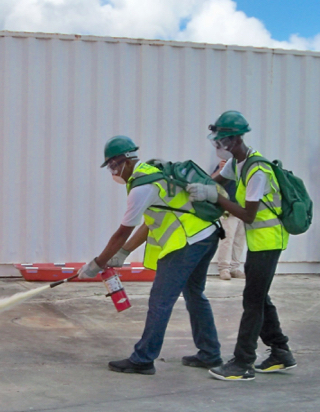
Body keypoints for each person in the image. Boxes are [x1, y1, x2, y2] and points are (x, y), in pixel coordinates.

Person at [77, 135, 223, 375]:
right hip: (206, 235)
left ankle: (143, 359)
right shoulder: (148, 174)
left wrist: (97, 263)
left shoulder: (142, 187)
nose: (113, 171)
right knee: (194, 294)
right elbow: (150, 221)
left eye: (113, 165)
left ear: (126, 160)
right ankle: (210, 353)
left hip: (187, 242)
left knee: (160, 300)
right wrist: (124, 252)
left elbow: (122, 232)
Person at [187, 110, 296, 381]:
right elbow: (215, 182)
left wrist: (214, 196)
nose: (217, 146)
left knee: (253, 300)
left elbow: (248, 214)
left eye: (220, 141)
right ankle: (281, 352)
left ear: (234, 140)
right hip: (259, 241)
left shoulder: (257, 169)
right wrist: (193, 187)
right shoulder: (236, 163)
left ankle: (243, 363)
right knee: (260, 296)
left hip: (270, 241)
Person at [211, 159, 246, 280]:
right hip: (229, 208)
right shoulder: (227, 165)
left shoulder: (248, 168)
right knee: (227, 238)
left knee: (239, 240)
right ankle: (224, 268)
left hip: (243, 209)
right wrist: (220, 170)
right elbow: (210, 181)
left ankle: (234, 268)